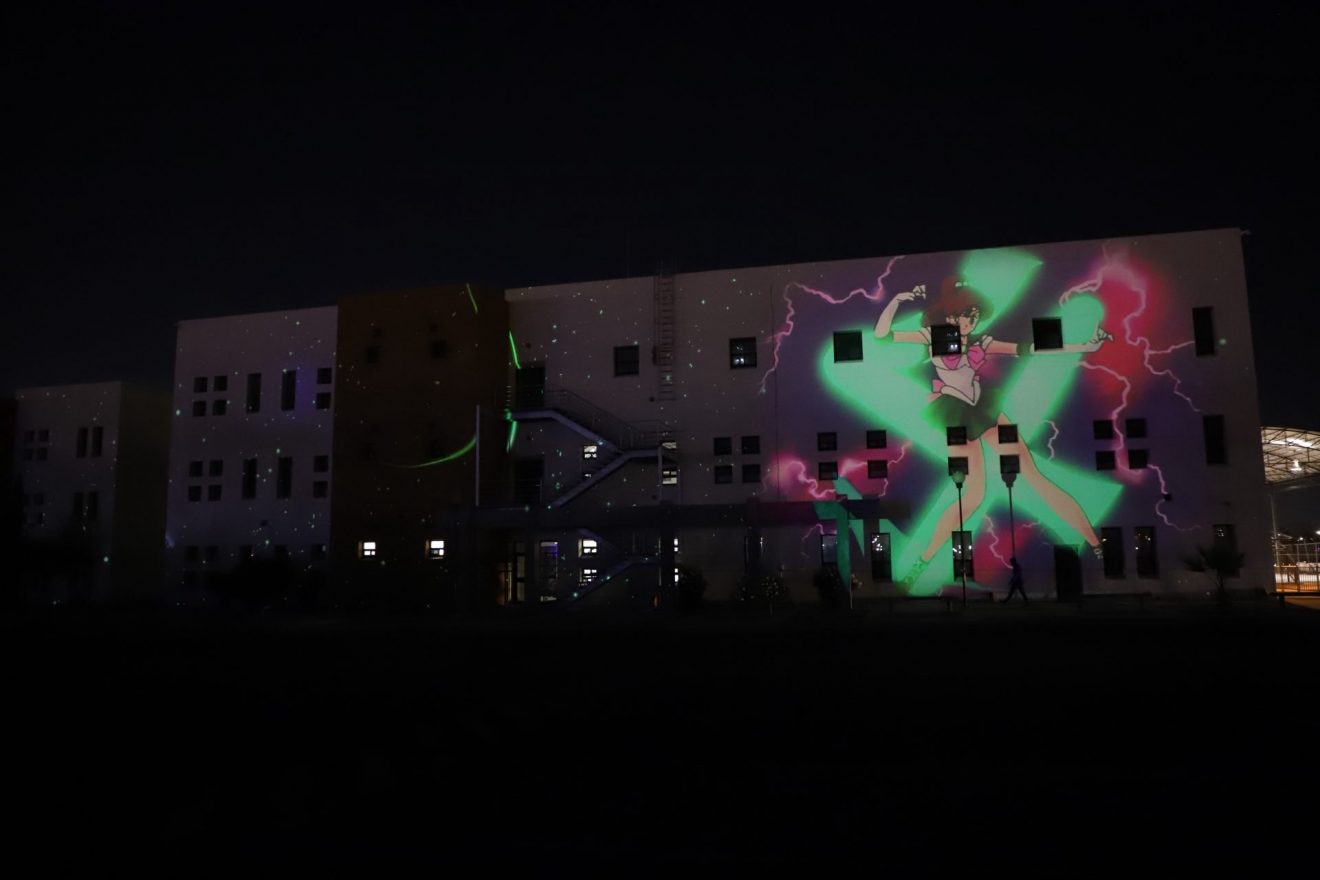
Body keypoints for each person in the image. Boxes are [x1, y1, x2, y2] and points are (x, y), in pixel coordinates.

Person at [873, 276, 1112, 584]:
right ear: (949, 315)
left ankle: (1094, 542)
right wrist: (898, 300)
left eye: (973, 317)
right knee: (972, 496)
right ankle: (923, 561)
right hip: (957, 416)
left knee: (1035, 476)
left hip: (985, 410)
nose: (969, 322)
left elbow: (1028, 348)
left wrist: (1083, 346)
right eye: (963, 316)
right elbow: (882, 336)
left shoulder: (980, 342)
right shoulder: (931, 337)